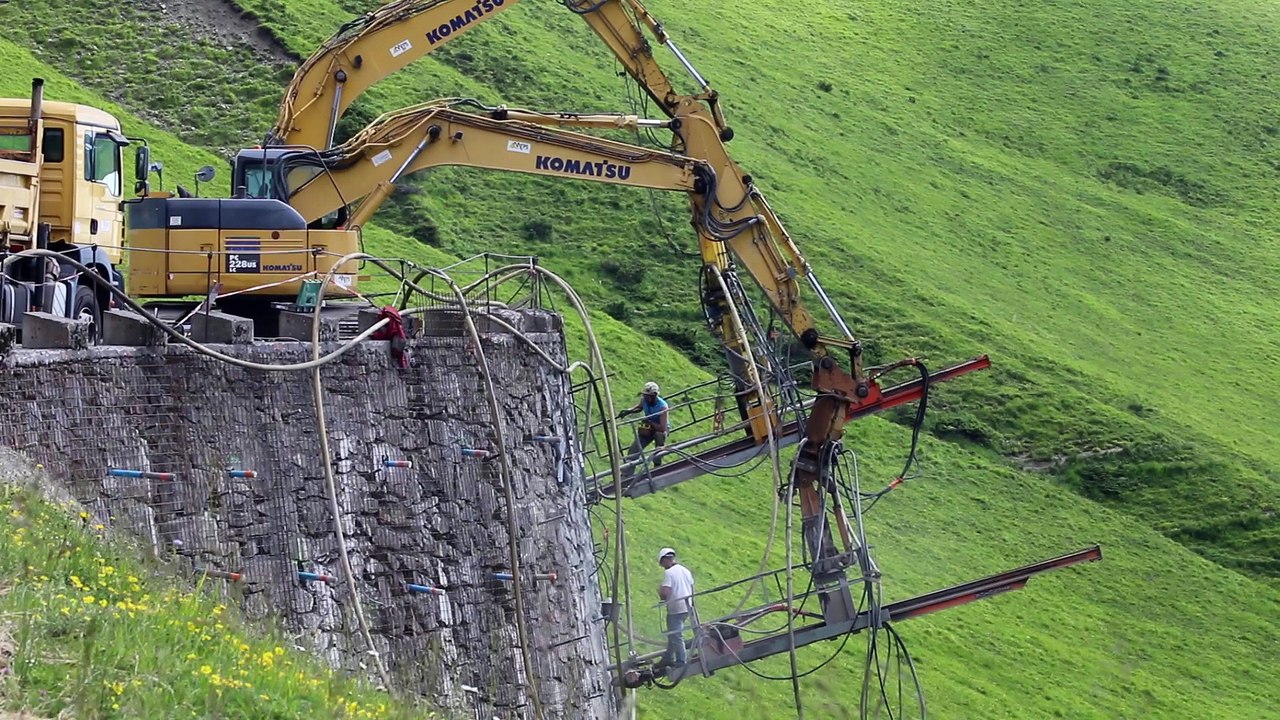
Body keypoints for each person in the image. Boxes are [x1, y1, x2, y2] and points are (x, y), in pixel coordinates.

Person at [618, 381, 669, 477]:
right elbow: (639, 407)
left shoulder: (662, 407)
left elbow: (662, 427)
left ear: (654, 395)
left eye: (648, 396)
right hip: (649, 428)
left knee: (659, 443)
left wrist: (650, 422)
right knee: (633, 450)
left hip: (659, 429)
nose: (646, 397)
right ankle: (626, 475)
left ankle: (657, 467)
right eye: (645, 395)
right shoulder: (645, 400)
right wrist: (628, 411)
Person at [657, 547, 694, 669]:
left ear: (664, 560)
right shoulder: (685, 570)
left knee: (676, 635)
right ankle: (668, 657)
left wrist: (660, 590)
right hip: (687, 606)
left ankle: (681, 661)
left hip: (676, 608)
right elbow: (691, 587)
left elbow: (665, 593)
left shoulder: (669, 573)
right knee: (673, 634)